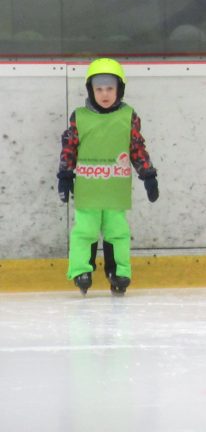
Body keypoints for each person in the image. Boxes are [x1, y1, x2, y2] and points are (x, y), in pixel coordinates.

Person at [57, 58, 159, 296]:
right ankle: (81, 270)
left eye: (110, 88)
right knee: (85, 231)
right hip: (88, 189)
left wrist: (148, 174)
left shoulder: (128, 116)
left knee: (118, 232)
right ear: (91, 90)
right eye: (99, 89)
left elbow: (137, 148)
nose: (104, 94)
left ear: (119, 90)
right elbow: (69, 148)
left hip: (115, 190)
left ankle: (119, 272)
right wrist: (65, 175)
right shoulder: (80, 117)